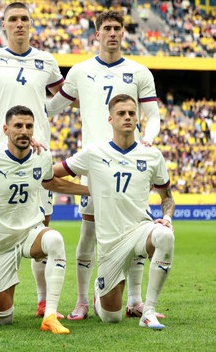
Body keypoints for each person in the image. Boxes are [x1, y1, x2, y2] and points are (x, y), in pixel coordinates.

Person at [46, 9, 161, 320]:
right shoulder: (80, 71)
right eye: (106, 28)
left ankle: (135, 300)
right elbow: (52, 108)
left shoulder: (140, 72)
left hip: (130, 164)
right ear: (95, 34)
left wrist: (147, 140)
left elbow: (153, 116)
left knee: (136, 229)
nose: (112, 33)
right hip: (95, 165)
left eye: (117, 28)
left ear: (124, 33)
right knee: (88, 233)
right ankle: (82, 300)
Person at [0, 1, 65, 321]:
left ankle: (42, 301)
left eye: (24, 19)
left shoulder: (46, 61)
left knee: (42, 225)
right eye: (13, 20)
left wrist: (45, 122)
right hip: (0, 155)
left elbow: (62, 98)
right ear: (3, 27)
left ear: (31, 24)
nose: (19, 24)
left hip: (39, 154)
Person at [0, 105, 89, 334]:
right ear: (6, 129)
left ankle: (50, 316)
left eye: (28, 126)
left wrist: (90, 191)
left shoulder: (42, 155)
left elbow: (50, 183)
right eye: (18, 126)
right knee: (4, 318)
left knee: (54, 239)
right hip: (1, 243)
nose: (24, 131)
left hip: (30, 233)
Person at [53, 94, 174, 330]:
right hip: (110, 243)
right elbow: (52, 174)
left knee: (165, 236)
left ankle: (148, 311)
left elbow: (167, 197)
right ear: (110, 119)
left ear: (138, 119)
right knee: (111, 317)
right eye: (121, 113)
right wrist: (90, 190)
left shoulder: (152, 155)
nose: (127, 117)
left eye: (132, 113)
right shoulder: (93, 152)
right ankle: (100, 293)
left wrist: (167, 218)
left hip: (140, 230)